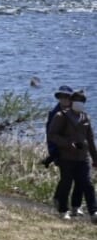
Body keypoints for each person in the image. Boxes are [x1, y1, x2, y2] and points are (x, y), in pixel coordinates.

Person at [48, 87, 97, 221]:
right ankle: (63, 210)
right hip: (66, 157)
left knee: (87, 183)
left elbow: (91, 140)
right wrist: (69, 143)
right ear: (72, 101)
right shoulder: (60, 116)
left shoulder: (86, 117)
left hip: (83, 158)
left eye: (82, 101)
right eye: (76, 100)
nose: (79, 103)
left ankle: (94, 212)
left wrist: (95, 158)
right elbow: (52, 135)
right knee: (66, 183)